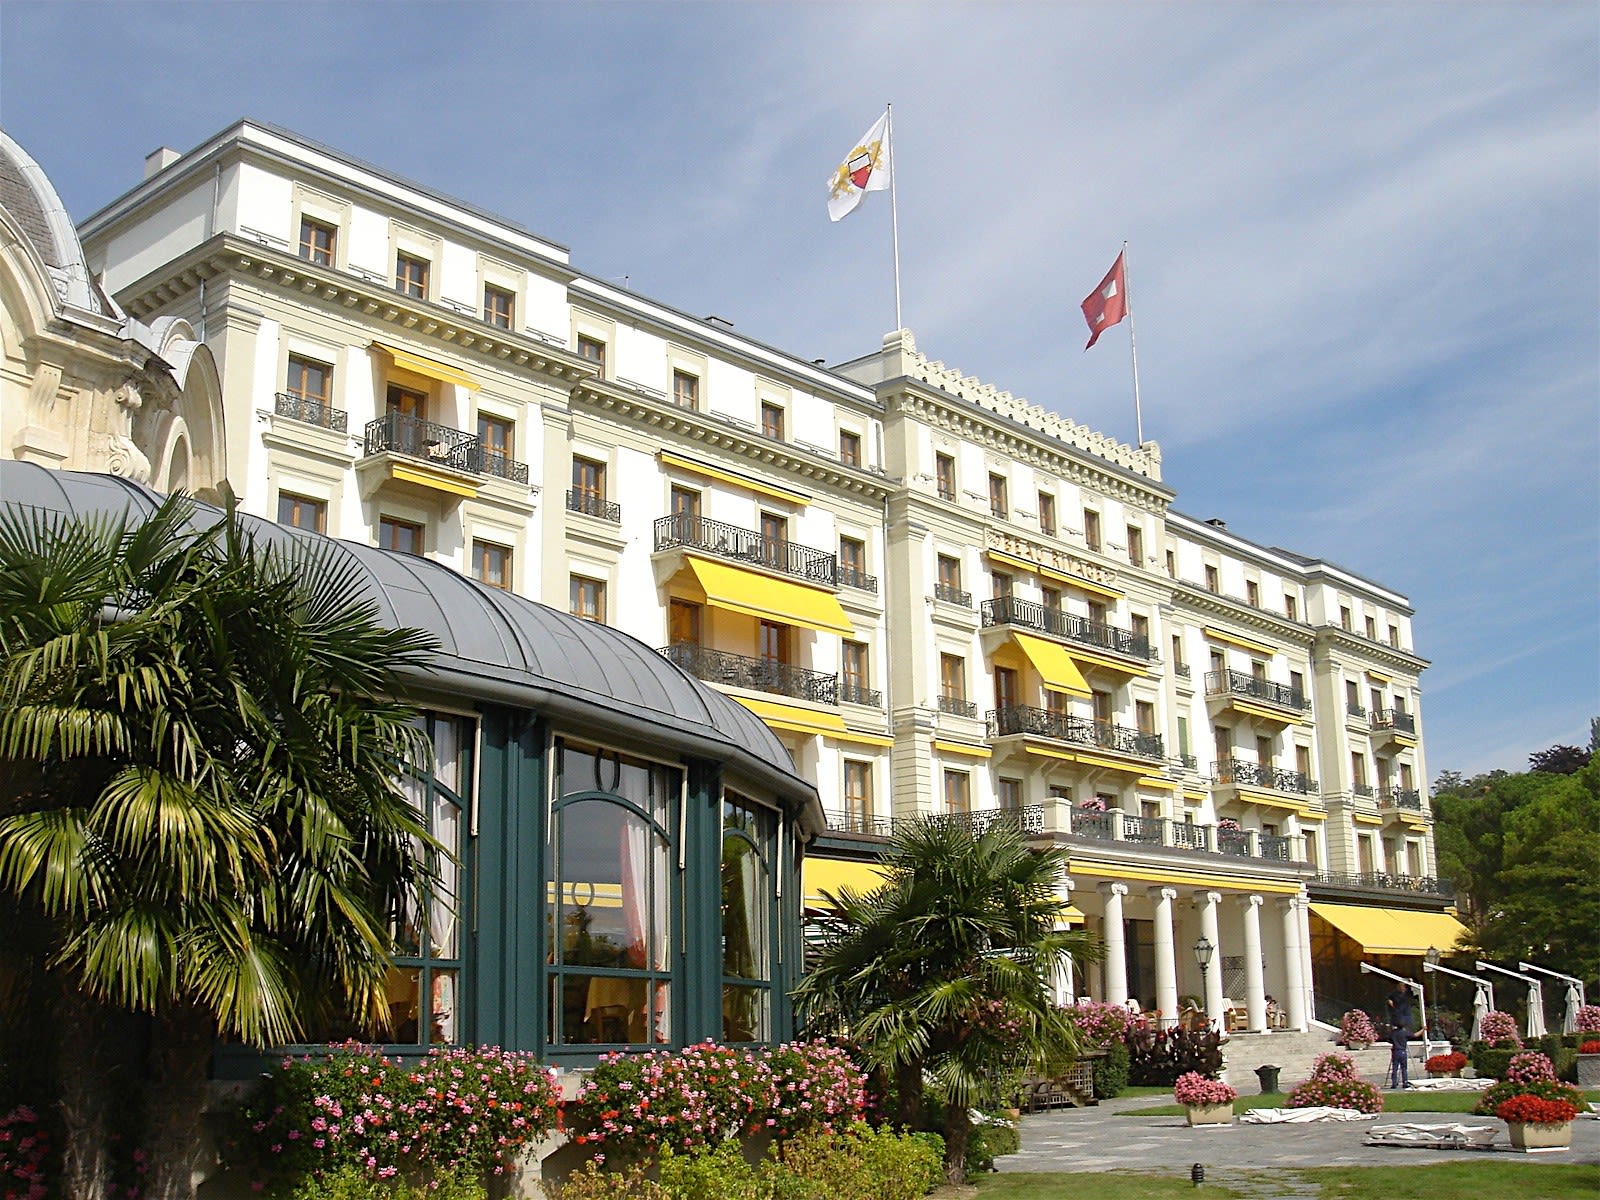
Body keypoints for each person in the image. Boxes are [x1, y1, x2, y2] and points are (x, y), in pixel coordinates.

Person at [1386, 984, 1414, 1089]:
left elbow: (1389, 1039)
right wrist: (1423, 1030)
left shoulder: (1394, 1033)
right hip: (1401, 1050)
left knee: (1395, 1067)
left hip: (1396, 1050)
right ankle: (1404, 1082)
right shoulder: (1395, 995)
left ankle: (1394, 1083)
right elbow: (1414, 1035)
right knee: (1403, 1068)